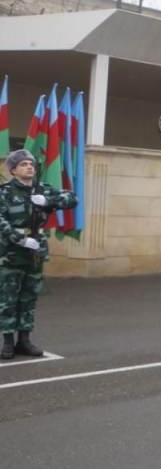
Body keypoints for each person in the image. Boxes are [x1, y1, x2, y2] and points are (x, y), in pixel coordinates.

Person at [0, 150, 77, 359]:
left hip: (35, 251)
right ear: (13, 170)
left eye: (31, 164)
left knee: (29, 297)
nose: (29, 167)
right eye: (23, 164)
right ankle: (8, 341)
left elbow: (72, 199)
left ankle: (24, 340)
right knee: (8, 298)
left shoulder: (42, 189)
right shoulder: (4, 192)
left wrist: (47, 201)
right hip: (10, 252)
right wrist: (20, 239)